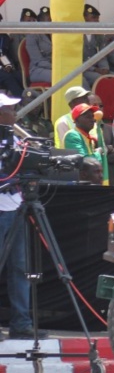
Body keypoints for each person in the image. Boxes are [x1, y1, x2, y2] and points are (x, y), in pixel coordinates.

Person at [0, 94, 48, 340]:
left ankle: (22, 323)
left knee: (20, 268)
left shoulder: (17, 138)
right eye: (10, 109)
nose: (15, 114)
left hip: (17, 207)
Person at [81, 4, 110, 89]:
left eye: (97, 18)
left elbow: (102, 54)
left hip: (98, 69)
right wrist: (94, 69)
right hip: (83, 70)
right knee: (99, 79)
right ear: (84, 18)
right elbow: (77, 59)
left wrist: (105, 68)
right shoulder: (76, 35)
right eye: (93, 18)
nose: (97, 21)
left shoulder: (98, 35)